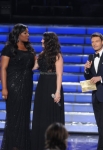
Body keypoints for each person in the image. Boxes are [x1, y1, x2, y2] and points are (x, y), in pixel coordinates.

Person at [1, 23, 35, 150]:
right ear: (18, 34)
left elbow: (34, 66)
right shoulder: (9, 48)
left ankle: (22, 144)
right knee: (14, 115)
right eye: (25, 33)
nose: (28, 35)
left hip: (27, 85)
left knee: (24, 114)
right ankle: (13, 145)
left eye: (28, 33)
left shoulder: (30, 49)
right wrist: (4, 88)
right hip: (13, 85)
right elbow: (3, 69)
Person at [31, 32, 64, 150]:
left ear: (49, 41)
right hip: (42, 85)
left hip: (52, 84)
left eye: (43, 39)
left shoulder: (57, 55)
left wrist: (58, 91)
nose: (41, 41)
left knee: (51, 113)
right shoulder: (41, 54)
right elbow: (34, 67)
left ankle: (53, 145)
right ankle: (40, 143)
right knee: (41, 114)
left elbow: (59, 75)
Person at [84, 32, 103, 150]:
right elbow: (89, 78)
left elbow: (98, 77)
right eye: (92, 42)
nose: (94, 44)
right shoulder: (91, 57)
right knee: (100, 126)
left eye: (96, 41)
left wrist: (101, 78)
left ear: (102, 42)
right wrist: (86, 70)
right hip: (96, 96)